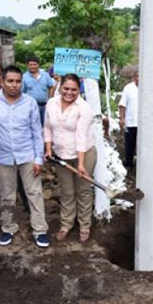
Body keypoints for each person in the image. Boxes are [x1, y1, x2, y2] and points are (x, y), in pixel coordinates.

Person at [0, 65, 49, 248]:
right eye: (10, 81)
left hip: (27, 155)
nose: (14, 85)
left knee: (34, 193)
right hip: (2, 157)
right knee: (7, 196)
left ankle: (40, 230)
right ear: (2, 82)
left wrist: (38, 158)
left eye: (18, 81)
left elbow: (37, 131)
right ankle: (8, 227)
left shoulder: (30, 102)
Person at [44, 74, 96, 243]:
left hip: (85, 154)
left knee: (83, 190)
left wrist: (81, 164)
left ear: (78, 90)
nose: (69, 92)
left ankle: (84, 225)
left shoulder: (84, 108)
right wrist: (48, 149)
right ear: (60, 87)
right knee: (66, 191)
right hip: (61, 155)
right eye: (66, 88)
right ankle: (66, 224)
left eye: (74, 89)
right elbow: (47, 127)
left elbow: (81, 137)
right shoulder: (52, 103)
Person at [22, 57, 55, 125]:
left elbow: (51, 87)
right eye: (30, 65)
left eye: (34, 64)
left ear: (38, 65)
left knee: (46, 124)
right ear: (27, 65)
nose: (32, 66)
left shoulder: (45, 75)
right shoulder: (24, 77)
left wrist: (50, 101)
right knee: (33, 125)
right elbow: (22, 92)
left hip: (44, 106)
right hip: (31, 107)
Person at [118, 69, 139, 168]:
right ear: (134, 77)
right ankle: (128, 163)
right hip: (131, 122)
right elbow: (122, 104)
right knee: (129, 144)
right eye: (137, 76)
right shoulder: (128, 88)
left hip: (144, 124)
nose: (139, 78)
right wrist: (121, 118)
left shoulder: (148, 88)